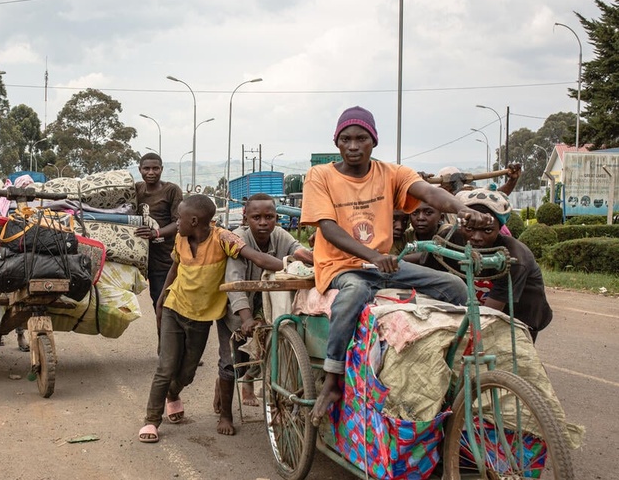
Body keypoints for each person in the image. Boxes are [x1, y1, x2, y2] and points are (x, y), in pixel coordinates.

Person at [300, 106, 494, 427]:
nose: (353, 146)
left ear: (374, 141)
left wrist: (462, 210)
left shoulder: (391, 173)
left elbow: (429, 192)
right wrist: (373, 256)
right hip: (340, 266)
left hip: (383, 266)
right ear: (336, 142)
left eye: (361, 139)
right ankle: (333, 379)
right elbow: (328, 229)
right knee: (355, 292)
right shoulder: (320, 176)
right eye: (346, 139)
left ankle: (463, 363)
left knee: (454, 286)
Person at [137, 195, 283, 443]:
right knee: (165, 366)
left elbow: (256, 257)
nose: (176, 222)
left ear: (194, 221)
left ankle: (172, 393)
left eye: (179, 218)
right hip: (175, 308)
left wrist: (289, 265)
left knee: (187, 373)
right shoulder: (181, 238)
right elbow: (175, 268)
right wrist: (161, 299)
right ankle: (151, 420)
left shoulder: (223, 239)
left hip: (202, 318)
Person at [213, 193, 313, 436]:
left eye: (269, 217)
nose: (263, 222)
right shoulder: (238, 240)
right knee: (231, 363)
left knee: (268, 356)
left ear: (276, 218)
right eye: (256, 217)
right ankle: (225, 414)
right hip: (236, 312)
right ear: (246, 217)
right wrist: (246, 318)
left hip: (269, 310)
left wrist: (314, 255)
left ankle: (274, 403)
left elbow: (299, 251)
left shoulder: (281, 236)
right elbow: (234, 281)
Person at [450, 188, 553, 342]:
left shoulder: (513, 257)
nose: (476, 237)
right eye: (470, 228)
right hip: (483, 307)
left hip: (520, 317)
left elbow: (488, 315)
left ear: (500, 228)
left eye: (487, 230)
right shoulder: (453, 239)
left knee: (514, 355)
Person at [135, 152, 183, 350]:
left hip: (168, 258)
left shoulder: (171, 190)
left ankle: (175, 350)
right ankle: (166, 348)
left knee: (174, 304)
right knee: (159, 302)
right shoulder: (136, 190)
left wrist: (156, 233)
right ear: (140, 170)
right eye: (146, 168)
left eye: (155, 168)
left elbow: (179, 222)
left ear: (161, 169)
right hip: (147, 260)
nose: (151, 172)